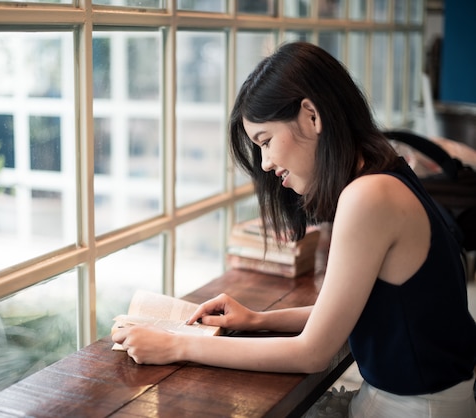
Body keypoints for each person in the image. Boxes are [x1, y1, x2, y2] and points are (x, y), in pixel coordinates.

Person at [112, 41, 476, 417]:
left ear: (311, 116)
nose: (266, 164)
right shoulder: (385, 174)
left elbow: (313, 352)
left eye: (266, 142)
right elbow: (348, 310)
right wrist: (256, 319)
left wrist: (176, 345)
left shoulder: (369, 196)